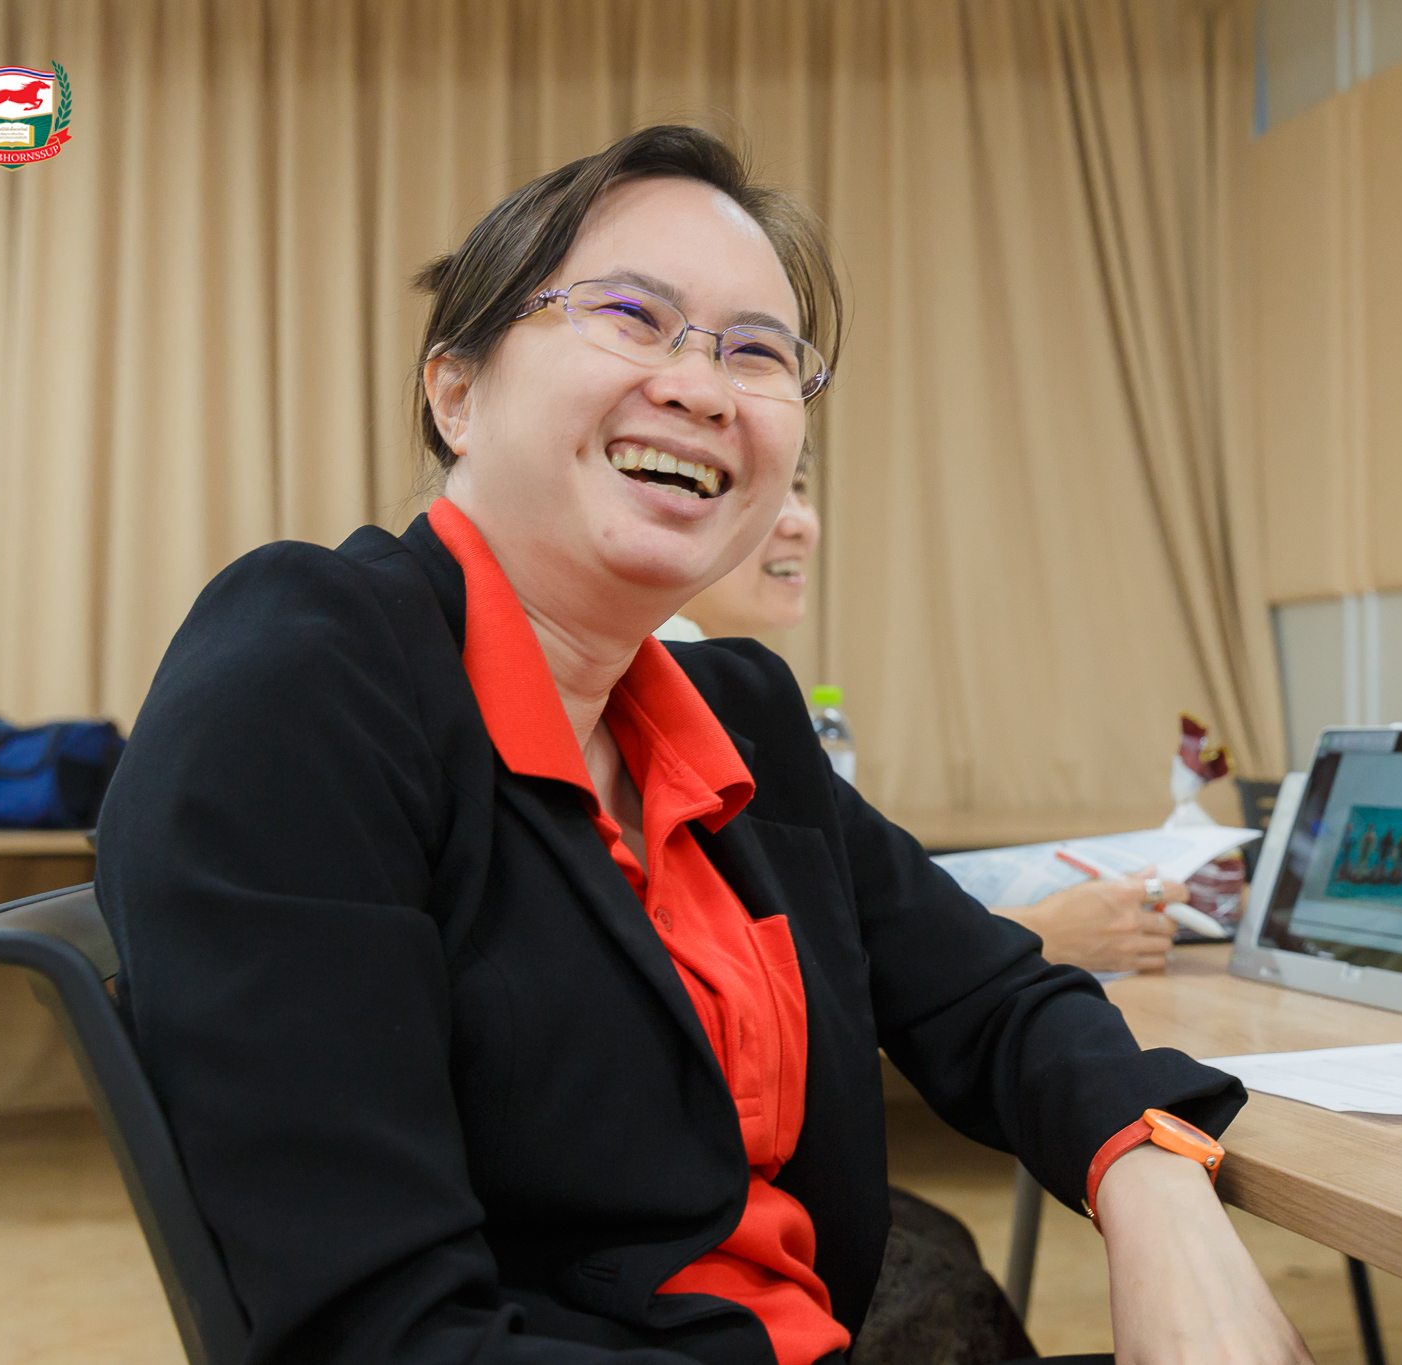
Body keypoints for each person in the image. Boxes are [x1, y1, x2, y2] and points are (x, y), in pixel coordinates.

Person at [97, 125, 1310, 1365]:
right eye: (632, 316)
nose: (702, 387)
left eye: (757, 351)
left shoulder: (737, 717)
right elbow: (377, 1333)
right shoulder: (310, 675)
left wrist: (1152, 1184)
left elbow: (994, 998)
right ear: (456, 394)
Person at [660, 462, 1186, 977]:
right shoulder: (674, 685)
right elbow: (804, 951)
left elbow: (847, 907)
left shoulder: (738, 684)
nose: (799, 522)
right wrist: (1047, 932)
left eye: (798, 487)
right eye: (750, 484)